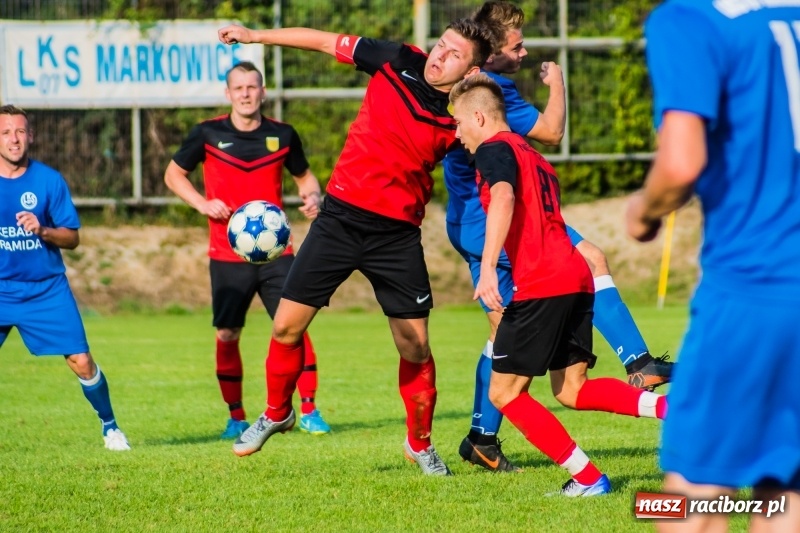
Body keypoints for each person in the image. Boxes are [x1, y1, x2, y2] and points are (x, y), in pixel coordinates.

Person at [217, 19, 496, 475]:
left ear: (469, 71)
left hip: (397, 237)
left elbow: (510, 148)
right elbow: (326, 40)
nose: (439, 56)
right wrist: (255, 37)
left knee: (415, 348)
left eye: (453, 55)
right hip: (340, 220)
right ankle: (276, 412)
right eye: (441, 45)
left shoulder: (464, 115)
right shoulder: (399, 59)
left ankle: (419, 444)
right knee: (286, 327)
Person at [444, 0, 673, 473]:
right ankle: (664, 395)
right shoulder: (510, 133)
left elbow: (505, 195)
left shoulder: (491, 135)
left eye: (461, 124)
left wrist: (487, 268)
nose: (524, 52)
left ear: (479, 119)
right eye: (517, 44)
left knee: (506, 384)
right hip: (537, 256)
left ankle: (582, 473)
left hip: (529, 262)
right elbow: (548, 137)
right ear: (488, 51)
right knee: (569, 385)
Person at [626, 1, 800, 530]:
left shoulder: (690, 19)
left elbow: (681, 164)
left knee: (684, 499)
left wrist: (642, 210)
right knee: (784, 488)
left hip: (757, 289)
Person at [164, 61, 331, 439]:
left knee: (294, 326)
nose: (245, 93)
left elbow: (304, 175)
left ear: (263, 92)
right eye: (238, 88)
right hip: (227, 253)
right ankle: (236, 416)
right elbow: (173, 175)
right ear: (228, 94)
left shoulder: (283, 135)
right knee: (227, 334)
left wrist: (312, 195)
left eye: (252, 87)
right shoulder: (207, 133)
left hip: (278, 254)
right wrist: (202, 204)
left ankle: (309, 410)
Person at [0, 104, 130, 451]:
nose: (14, 139)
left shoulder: (48, 180)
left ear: (31, 136)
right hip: (1, 290)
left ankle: (111, 427)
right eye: (6, 132)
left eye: (20, 131)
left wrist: (42, 229)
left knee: (82, 361)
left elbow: (72, 238)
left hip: (46, 290)